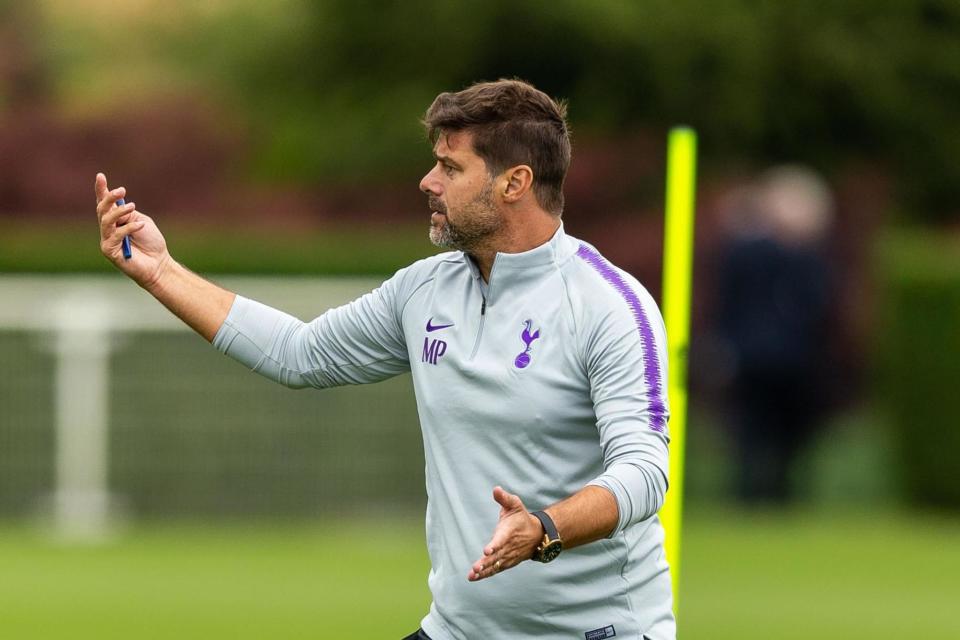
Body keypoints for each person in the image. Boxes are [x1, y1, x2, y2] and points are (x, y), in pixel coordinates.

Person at [95, 79, 673, 640]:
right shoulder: (423, 289)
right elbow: (301, 354)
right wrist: (160, 272)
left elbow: (645, 474)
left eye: (451, 168)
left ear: (515, 182)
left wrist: (544, 529)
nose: (428, 181)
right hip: (459, 630)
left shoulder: (609, 307)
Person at [715, 166, 834, 504]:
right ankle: (753, 493)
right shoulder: (751, 253)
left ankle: (778, 492)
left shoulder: (807, 258)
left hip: (793, 361)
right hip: (757, 360)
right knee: (753, 431)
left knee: (787, 432)